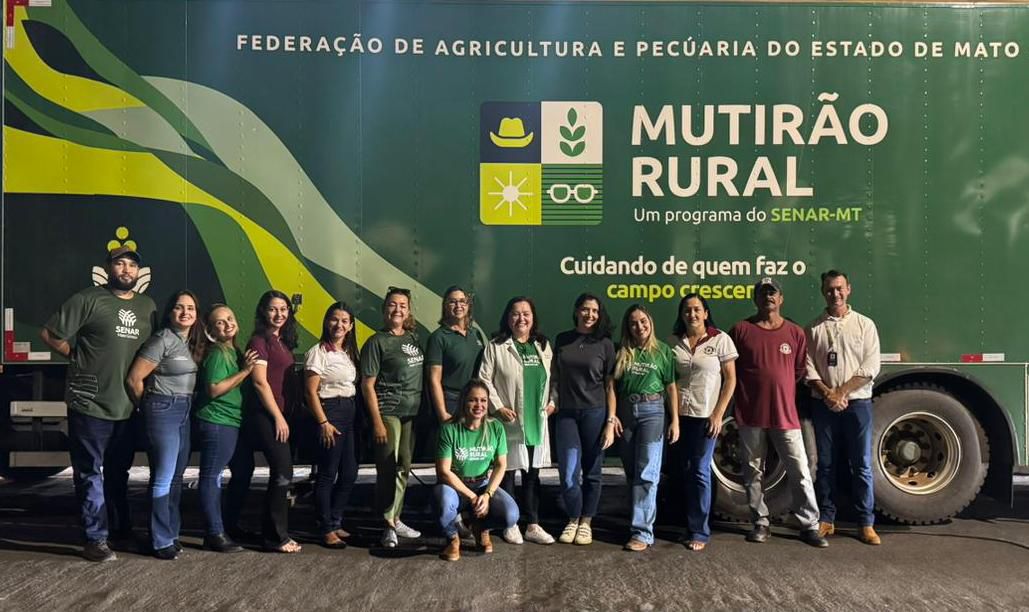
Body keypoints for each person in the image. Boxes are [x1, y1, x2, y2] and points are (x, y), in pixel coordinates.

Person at [40, 246, 156, 562]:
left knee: (119, 473)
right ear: (108, 268)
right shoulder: (88, 299)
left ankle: (121, 532)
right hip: (90, 404)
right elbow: (50, 334)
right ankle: (95, 539)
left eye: (132, 265)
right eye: (120, 264)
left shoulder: (147, 306)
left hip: (127, 406)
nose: (126, 270)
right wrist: (75, 356)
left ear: (139, 272)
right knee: (90, 472)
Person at [730, 277, 828, 548]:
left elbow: (798, 371)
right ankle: (760, 522)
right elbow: (731, 371)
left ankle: (809, 524)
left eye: (773, 293)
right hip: (750, 415)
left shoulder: (795, 333)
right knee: (753, 471)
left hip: (785, 415)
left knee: (800, 470)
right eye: (762, 293)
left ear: (781, 299)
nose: (768, 297)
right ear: (755, 299)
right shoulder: (740, 330)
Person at [126, 290, 206, 560]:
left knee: (176, 478)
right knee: (163, 477)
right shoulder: (162, 339)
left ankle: (171, 533)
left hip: (185, 409)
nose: (185, 312)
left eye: (191, 308)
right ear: (170, 312)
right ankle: (160, 540)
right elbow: (134, 379)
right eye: (179, 307)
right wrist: (146, 407)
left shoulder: (190, 342)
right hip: (163, 408)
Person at [805, 270, 882, 545]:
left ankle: (866, 523)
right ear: (822, 292)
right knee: (825, 464)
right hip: (823, 404)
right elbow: (808, 368)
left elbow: (871, 366)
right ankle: (827, 519)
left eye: (839, 288)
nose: (834, 294)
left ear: (848, 289)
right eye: (829, 289)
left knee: (861, 464)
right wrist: (828, 394)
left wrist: (842, 392)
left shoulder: (865, 325)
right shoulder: (813, 328)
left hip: (857, 403)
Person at [225, 290, 302, 553]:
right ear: (263, 312)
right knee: (282, 471)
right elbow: (259, 382)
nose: (279, 314)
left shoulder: (281, 341)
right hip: (263, 415)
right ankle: (274, 537)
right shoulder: (259, 342)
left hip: (276, 415)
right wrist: (278, 417)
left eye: (283, 309)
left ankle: (232, 526)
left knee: (253, 473)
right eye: (273, 309)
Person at [478, 296, 556, 545]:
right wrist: (498, 407)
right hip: (509, 421)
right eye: (515, 313)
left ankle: (533, 524)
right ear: (507, 318)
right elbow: (484, 379)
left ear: (533, 318)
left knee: (532, 475)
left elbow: (553, 378)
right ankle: (510, 524)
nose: (521, 318)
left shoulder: (542, 345)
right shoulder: (496, 346)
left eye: (526, 314)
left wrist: (553, 402)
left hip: (536, 420)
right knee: (508, 473)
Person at [670, 293, 737, 551]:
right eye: (687, 310)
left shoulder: (720, 339)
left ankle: (700, 531)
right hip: (680, 417)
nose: (692, 314)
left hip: (706, 417)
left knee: (700, 470)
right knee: (685, 470)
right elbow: (670, 381)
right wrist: (672, 417)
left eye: (697, 309)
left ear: (706, 313)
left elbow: (730, 379)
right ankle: (687, 525)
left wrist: (719, 414)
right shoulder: (673, 342)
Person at [360, 287, 424, 548]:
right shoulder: (376, 342)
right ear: (384, 309)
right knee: (388, 467)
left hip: (411, 413)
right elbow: (367, 385)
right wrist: (376, 421)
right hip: (388, 411)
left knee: (403, 467)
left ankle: (396, 517)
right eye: (392, 305)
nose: (397, 309)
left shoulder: (413, 339)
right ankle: (387, 525)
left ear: (408, 311)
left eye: (402, 305)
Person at [552, 293, 617, 546]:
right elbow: (555, 377)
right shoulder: (562, 339)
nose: (590, 315)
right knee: (569, 473)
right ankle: (573, 517)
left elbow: (610, 386)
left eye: (595, 311)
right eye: (586, 309)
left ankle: (586, 522)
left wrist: (610, 421)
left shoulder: (605, 344)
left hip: (595, 413)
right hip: (567, 414)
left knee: (592, 471)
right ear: (577, 311)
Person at [613, 304, 679, 551]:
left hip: (653, 411)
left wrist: (675, 420)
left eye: (643, 321)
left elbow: (671, 387)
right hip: (626, 412)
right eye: (633, 323)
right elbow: (611, 386)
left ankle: (642, 533)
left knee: (647, 473)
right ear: (627, 327)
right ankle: (634, 522)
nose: (639, 326)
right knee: (632, 472)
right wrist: (612, 416)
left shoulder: (662, 351)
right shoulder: (622, 352)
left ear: (650, 323)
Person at [194, 304, 258, 553]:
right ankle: (214, 533)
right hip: (217, 420)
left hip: (233, 421)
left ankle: (229, 524)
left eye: (230, 318)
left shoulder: (234, 351)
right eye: (220, 322)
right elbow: (214, 389)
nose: (228, 324)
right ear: (211, 331)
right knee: (212, 476)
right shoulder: (218, 353)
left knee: (243, 470)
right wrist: (245, 371)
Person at [434, 380, 520, 561]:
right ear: (463, 402)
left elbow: (501, 465)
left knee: (511, 515)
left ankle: (480, 527)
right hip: (455, 486)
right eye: (473, 400)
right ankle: (452, 539)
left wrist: (487, 495)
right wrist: (473, 498)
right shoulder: (449, 428)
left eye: (483, 400)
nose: (479, 405)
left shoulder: (496, 427)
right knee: (443, 504)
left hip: (481, 483)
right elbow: (444, 472)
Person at [305, 302, 361, 549]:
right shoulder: (318, 352)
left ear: (350, 326)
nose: (339, 325)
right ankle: (325, 527)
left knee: (349, 472)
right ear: (327, 322)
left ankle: (336, 521)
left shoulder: (346, 352)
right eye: (334, 319)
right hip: (331, 411)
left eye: (344, 321)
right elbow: (310, 392)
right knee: (328, 473)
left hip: (349, 410)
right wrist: (323, 422)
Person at [426, 286, 486, 421]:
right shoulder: (438, 337)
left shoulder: (475, 333)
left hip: (474, 400)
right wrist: (442, 413)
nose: (458, 305)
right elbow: (434, 379)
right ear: (445, 306)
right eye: (453, 302)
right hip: (451, 401)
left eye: (462, 301)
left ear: (468, 305)